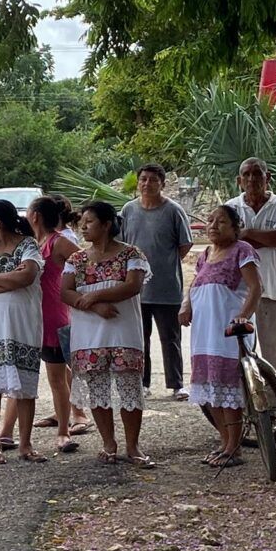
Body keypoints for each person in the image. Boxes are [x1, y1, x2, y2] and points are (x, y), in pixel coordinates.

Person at [61, 201, 155, 468]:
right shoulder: (76, 259)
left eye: (89, 222)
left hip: (124, 334)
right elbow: (65, 292)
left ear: (106, 225)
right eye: (82, 222)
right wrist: (96, 305)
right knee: (98, 389)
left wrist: (94, 296)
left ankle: (133, 446)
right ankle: (108, 443)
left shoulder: (131, 254)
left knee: (129, 389)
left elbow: (132, 286)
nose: (83, 227)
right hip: (88, 335)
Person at [180, 205, 262, 467]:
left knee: (228, 387)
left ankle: (234, 448)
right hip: (204, 332)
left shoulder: (242, 250)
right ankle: (225, 443)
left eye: (222, 221)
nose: (214, 225)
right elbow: (196, 284)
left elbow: (255, 288)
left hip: (228, 332)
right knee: (209, 388)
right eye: (211, 220)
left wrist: (243, 317)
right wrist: (186, 305)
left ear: (236, 227)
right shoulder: (205, 254)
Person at [0, 199, 47, 464]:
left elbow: (26, 278)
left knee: (25, 385)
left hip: (22, 323)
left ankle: (25, 443)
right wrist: (9, 281)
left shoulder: (28, 244)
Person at [120, 163, 193, 400]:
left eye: (152, 180)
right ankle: (142, 382)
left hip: (166, 286)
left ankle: (177, 384)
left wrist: (164, 263)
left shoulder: (173, 210)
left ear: (162, 183)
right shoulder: (128, 210)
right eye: (143, 179)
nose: (147, 184)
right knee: (139, 337)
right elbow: (121, 244)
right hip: (135, 287)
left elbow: (185, 244)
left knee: (170, 338)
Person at [25, 196, 89, 453]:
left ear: (36, 216)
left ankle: (64, 431)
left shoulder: (59, 242)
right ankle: (67, 418)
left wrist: (78, 294)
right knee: (57, 375)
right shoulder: (34, 244)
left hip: (55, 316)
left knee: (57, 377)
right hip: (37, 316)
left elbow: (89, 265)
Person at [225, 158, 276, 373]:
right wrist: (262, 238)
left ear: (268, 178)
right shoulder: (231, 207)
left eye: (257, 173)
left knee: (275, 355)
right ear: (239, 180)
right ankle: (246, 405)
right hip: (238, 293)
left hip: (272, 290)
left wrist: (245, 234)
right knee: (240, 355)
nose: (251, 179)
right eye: (246, 174)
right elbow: (225, 243)